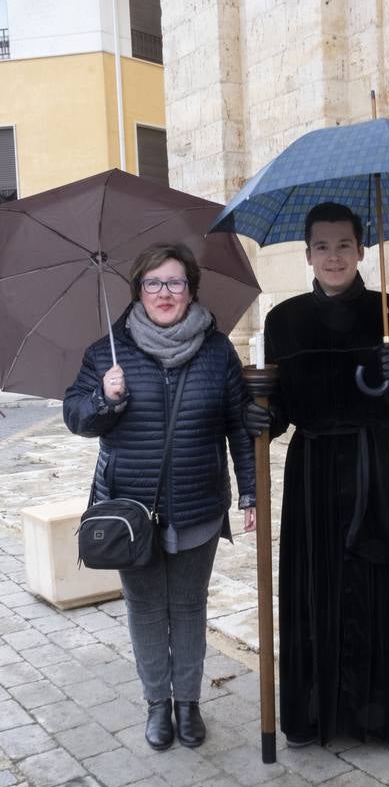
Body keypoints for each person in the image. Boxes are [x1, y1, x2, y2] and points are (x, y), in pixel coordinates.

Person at [244, 202, 389, 755]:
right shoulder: (283, 321)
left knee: (382, 582)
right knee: (314, 582)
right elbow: (278, 410)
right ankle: (310, 714)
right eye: (322, 246)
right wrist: (258, 416)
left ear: (362, 249)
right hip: (311, 469)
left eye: (344, 245)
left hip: (375, 463)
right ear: (307, 254)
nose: (334, 256)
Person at [64, 243, 256, 751]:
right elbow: (76, 418)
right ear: (138, 291)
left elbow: (239, 425)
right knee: (146, 609)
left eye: (174, 282)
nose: (164, 293)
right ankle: (156, 704)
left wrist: (250, 491)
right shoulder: (108, 351)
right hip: (131, 510)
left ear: (191, 289)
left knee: (189, 606)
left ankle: (188, 704)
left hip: (199, 503)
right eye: (153, 283)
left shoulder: (217, 351)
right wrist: (105, 399)